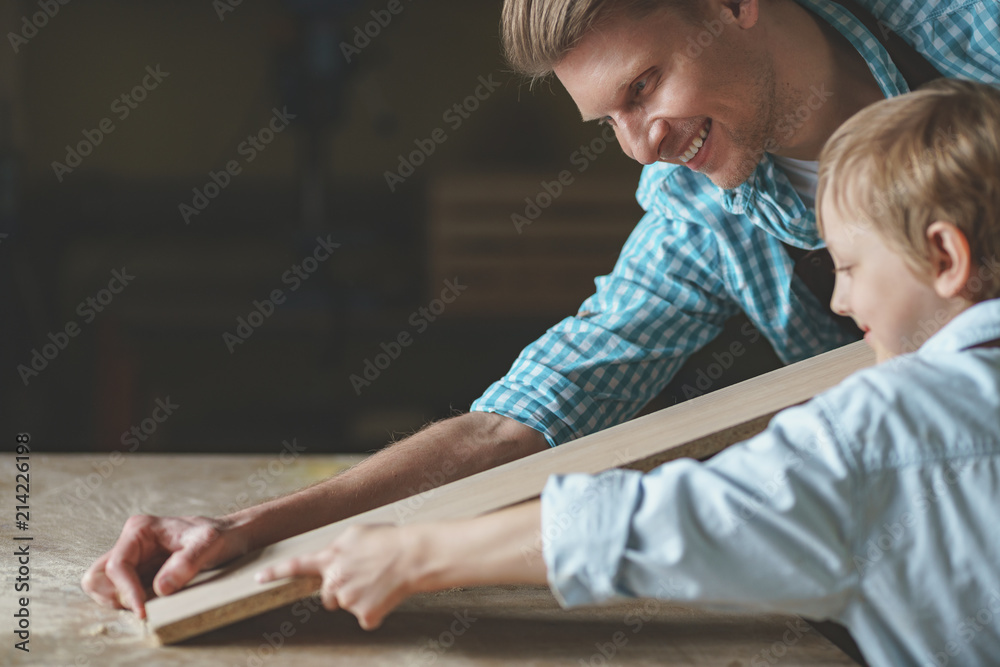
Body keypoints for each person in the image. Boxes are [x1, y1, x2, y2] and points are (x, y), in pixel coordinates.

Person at [82, 0, 1000, 620]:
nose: (644, 148)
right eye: (610, 123)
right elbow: (524, 420)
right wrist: (253, 529)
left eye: (644, 87)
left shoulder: (973, 31)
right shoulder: (698, 212)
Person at [256, 78, 1000, 667]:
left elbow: (681, 521)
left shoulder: (899, 420)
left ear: (944, 256)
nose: (838, 299)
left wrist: (413, 553)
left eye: (849, 266)